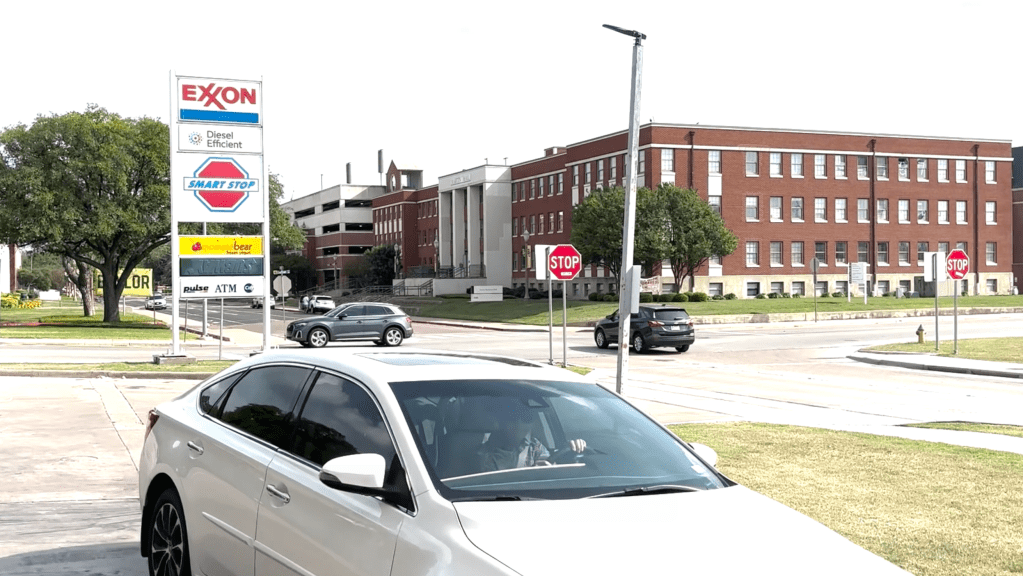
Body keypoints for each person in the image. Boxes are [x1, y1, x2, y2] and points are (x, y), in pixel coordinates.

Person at [477, 405, 586, 472]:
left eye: (526, 418)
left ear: (531, 424)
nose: (519, 425)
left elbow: (550, 464)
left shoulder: (534, 446)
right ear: (502, 422)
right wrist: (530, 474)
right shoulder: (483, 453)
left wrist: (570, 453)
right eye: (513, 418)